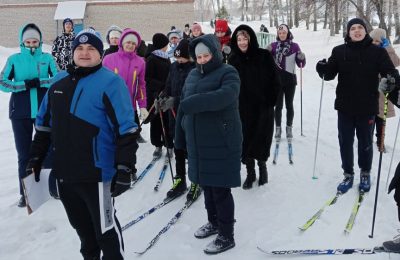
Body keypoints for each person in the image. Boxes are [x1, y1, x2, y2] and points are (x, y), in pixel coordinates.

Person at [26, 28, 139, 260]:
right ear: (72, 52)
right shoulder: (59, 81)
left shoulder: (111, 83)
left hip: (98, 175)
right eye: (79, 48)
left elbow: (126, 130)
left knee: (106, 234)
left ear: (100, 53)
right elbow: (44, 125)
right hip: (66, 175)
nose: (84, 53)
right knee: (85, 236)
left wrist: (125, 167)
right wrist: (35, 158)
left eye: (91, 49)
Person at [175, 34, 242, 254]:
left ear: (214, 53)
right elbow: (183, 109)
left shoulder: (228, 72)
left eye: (206, 55)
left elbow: (225, 96)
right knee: (208, 187)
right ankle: (213, 223)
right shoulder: (193, 75)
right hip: (197, 142)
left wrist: (193, 103)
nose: (202, 59)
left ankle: (226, 235)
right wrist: (180, 135)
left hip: (221, 140)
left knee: (221, 190)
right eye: (199, 56)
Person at [316, 18, 400, 194]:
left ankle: (365, 172)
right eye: (352, 28)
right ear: (348, 32)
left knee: (365, 144)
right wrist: (322, 68)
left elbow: (390, 71)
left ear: (365, 31)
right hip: (345, 107)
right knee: (345, 142)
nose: (356, 31)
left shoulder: (377, 52)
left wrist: (392, 79)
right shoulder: (339, 51)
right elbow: (330, 73)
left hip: (367, 107)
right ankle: (348, 173)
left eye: (360, 27)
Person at [0, 23, 58, 207]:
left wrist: (41, 82)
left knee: (48, 150)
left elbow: (57, 79)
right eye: (28, 41)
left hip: (44, 111)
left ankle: (50, 187)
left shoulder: (47, 58)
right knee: (24, 154)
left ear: (40, 41)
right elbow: (2, 82)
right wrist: (23, 85)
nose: (32, 44)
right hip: (20, 112)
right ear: (22, 42)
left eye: (35, 41)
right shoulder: (14, 59)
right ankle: (26, 193)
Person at [229, 25, 281, 189]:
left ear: (251, 39)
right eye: (239, 39)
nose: (242, 42)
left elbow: (276, 80)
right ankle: (250, 173)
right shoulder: (232, 60)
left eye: (245, 38)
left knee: (262, 138)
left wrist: (271, 101)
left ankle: (262, 168)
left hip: (262, 107)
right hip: (242, 108)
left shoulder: (263, 55)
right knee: (245, 140)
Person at [158, 39, 200, 201]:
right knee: (178, 147)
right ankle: (180, 179)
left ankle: (197, 181)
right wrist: (162, 96)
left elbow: (193, 93)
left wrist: (174, 101)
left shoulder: (195, 70)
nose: (179, 61)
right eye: (176, 58)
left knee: (192, 149)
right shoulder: (174, 66)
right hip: (173, 114)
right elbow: (169, 84)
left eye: (182, 58)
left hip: (189, 115)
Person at [103, 28, 148, 143]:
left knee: (127, 141)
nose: (130, 45)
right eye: (128, 42)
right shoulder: (109, 59)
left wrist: (142, 105)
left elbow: (141, 85)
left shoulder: (140, 62)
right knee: (110, 138)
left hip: (129, 108)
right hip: (111, 106)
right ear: (122, 42)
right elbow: (101, 83)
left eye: (133, 43)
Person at [266, 24, 306, 142]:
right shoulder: (273, 46)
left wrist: (301, 57)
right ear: (278, 34)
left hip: (290, 80)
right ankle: (278, 129)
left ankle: (289, 128)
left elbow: (300, 64)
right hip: (276, 81)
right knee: (278, 106)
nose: (282, 35)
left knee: (289, 105)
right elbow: (265, 61)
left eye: (284, 33)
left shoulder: (294, 46)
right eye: (280, 33)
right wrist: (266, 52)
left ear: (288, 33)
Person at [370, 28, 400, 152]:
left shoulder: (386, 52)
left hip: (384, 91)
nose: (376, 43)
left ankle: (380, 142)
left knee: (381, 119)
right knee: (370, 118)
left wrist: (388, 49)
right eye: (373, 41)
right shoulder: (368, 51)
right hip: (370, 90)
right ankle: (367, 139)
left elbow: (395, 63)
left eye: (379, 41)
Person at [145, 33, 173, 157]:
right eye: (166, 44)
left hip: (165, 94)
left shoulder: (165, 57)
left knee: (167, 121)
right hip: (155, 95)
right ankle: (157, 145)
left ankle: (169, 145)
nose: (167, 47)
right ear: (162, 45)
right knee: (156, 121)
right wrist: (160, 87)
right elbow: (148, 78)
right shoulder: (151, 58)